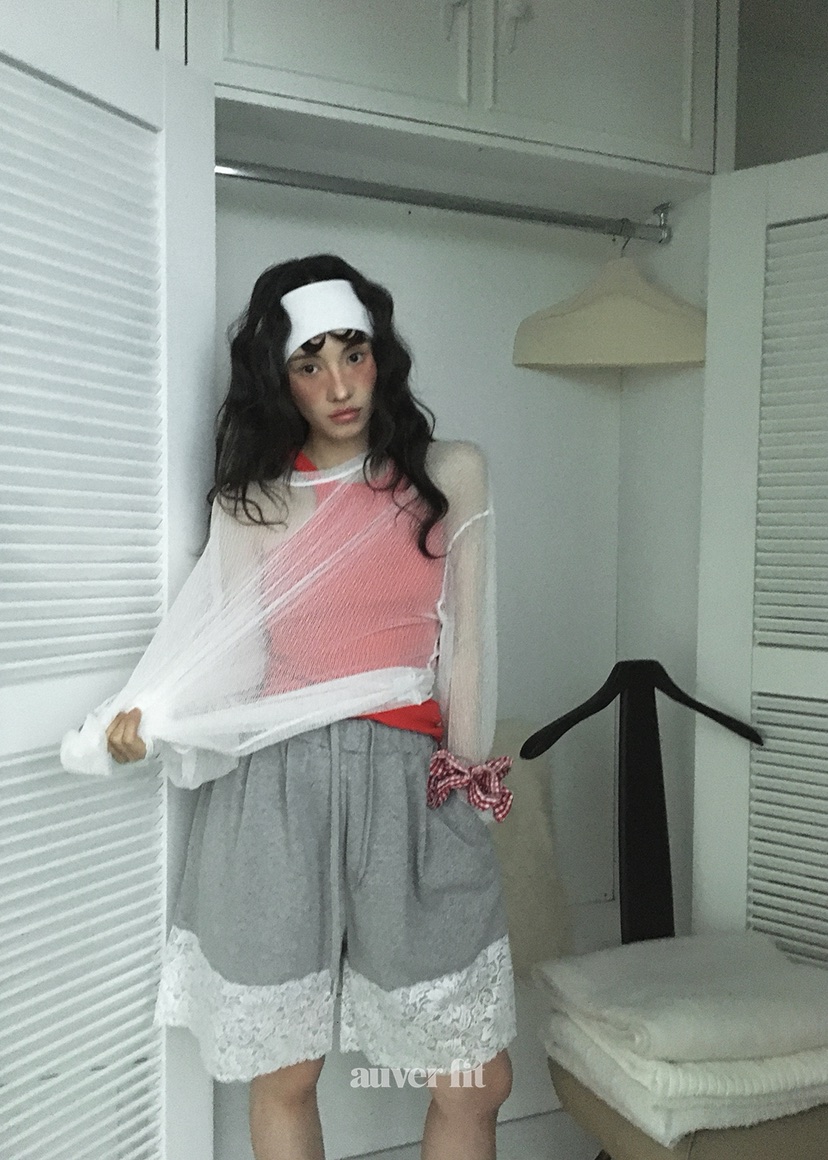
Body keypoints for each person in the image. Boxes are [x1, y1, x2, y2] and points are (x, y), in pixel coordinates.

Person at [105, 254, 517, 1160]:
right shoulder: (252, 504)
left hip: (412, 785)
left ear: (380, 355)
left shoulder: (451, 473)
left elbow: (468, 649)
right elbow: (227, 661)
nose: (338, 385)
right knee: (285, 1071)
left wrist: (465, 778)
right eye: (309, 362)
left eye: (353, 353)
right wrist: (150, 718)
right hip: (277, 792)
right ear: (278, 377)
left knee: (475, 1078)